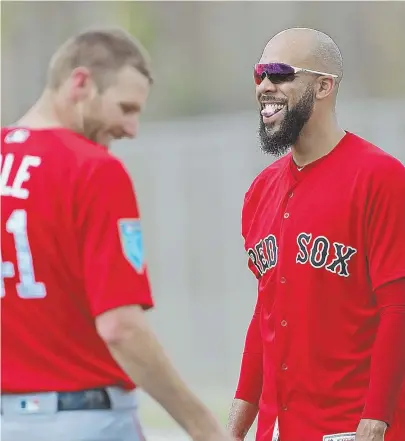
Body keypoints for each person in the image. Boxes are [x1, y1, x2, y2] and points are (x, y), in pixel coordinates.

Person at [1, 28, 233, 441]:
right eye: (125, 108)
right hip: (82, 420)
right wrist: (204, 427)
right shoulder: (92, 169)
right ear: (80, 83)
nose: (132, 128)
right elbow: (120, 327)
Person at [227, 27, 405, 441]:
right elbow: (266, 311)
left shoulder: (381, 178)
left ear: (324, 86)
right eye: (259, 76)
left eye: (280, 74)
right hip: (279, 427)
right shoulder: (260, 191)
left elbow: (398, 306)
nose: (265, 87)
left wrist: (376, 417)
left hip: (352, 429)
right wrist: (240, 415)